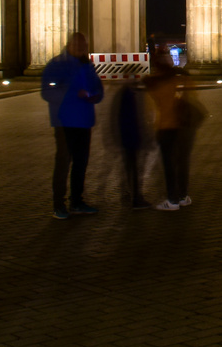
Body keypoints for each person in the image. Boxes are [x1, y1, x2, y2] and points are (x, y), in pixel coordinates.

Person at [41, 32, 104, 219]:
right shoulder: (57, 64)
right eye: (77, 45)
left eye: (83, 45)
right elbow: (47, 92)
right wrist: (72, 94)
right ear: (69, 44)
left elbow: (98, 88)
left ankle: (76, 201)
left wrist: (95, 95)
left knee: (80, 163)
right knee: (63, 163)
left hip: (84, 121)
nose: (81, 48)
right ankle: (58, 204)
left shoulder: (87, 65)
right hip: (64, 121)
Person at [144, 48, 206, 210]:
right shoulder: (182, 78)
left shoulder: (155, 81)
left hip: (167, 127)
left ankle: (172, 200)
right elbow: (193, 97)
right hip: (186, 127)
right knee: (182, 162)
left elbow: (150, 90)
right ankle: (183, 195)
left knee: (169, 164)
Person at [113, 74, 153, 210]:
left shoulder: (123, 94)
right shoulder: (129, 95)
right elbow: (136, 119)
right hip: (132, 138)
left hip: (128, 138)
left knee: (131, 168)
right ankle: (135, 197)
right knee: (135, 169)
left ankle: (129, 195)